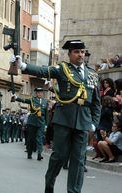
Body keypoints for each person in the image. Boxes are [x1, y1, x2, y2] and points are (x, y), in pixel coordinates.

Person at [10, 40, 101, 193]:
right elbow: (42, 70)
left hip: (83, 121)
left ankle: (74, 191)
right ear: (70, 54)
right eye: (76, 52)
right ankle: (50, 183)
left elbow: (96, 103)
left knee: (79, 160)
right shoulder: (62, 69)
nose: (80, 55)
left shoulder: (92, 74)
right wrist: (23, 66)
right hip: (64, 119)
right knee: (59, 156)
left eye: (82, 52)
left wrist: (94, 123)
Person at [13, 88, 49, 160]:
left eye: (41, 92)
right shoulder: (32, 100)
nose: (40, 94)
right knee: (31, 139)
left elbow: (46, 114)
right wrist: (16, 97)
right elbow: (24, 100)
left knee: (40, 138)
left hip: (41, 122)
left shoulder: (45, 101)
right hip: (32, 122)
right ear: (36, 93)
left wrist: (46, 124)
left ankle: (39, 154)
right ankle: (29, 153)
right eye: (38, 93)